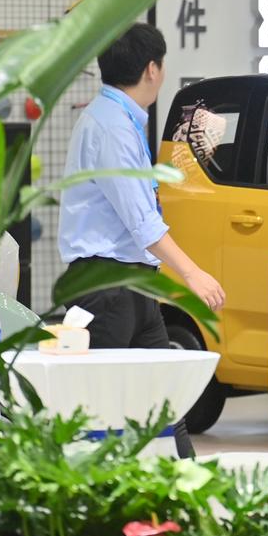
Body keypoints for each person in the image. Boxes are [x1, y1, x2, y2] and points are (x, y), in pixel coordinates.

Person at [58, 23, 225, 458]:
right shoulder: (111, 126)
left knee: (163, 405)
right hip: (107, 287)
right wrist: (192, 273)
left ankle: (187, 486)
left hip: (131, 285)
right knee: (104, 412)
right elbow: (141, 221)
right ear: (152, 69)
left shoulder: (117, 119)